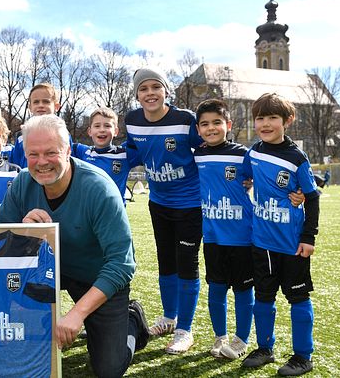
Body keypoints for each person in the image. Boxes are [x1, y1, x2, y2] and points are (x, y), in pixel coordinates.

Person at [0, 114, 149, 377]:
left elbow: (122, 264)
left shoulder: (98, 188)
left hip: (96, 276)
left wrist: (76, 314)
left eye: (50, 152)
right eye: (33, 154)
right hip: (49, 271)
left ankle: (132, 321)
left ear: (67, 151)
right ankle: (17, 335)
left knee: (108, 368)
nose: (41, 162)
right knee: (3, 279)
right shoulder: (22, 183)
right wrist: (22, 229)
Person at [124, 68, 203, 354]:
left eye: (156, 87)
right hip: (159, 203)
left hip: (191, 204)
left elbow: (207, 148)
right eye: (143, 89)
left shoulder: (184, 120)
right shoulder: (131, 120)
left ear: (166, 91)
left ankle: (185, 330)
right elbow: (131, 151)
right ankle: (170, 318)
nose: (150, 93)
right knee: (166, 262)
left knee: (186, 263)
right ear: (136, 95)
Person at [241, 93, 320, 376]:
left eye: (272, 117)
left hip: (291, 244)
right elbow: (245, 178)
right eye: (260, 118)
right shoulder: (253, 152)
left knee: (297, 298)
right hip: (261, 242)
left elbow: (312, 198)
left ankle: (303, 356)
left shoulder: (297, 158)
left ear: (287, 121)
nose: (265, 123)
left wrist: (308, 238)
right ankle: (265, 348)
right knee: (262, 297)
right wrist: (248, 183)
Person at [193, 99, 256, 360]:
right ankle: (220, 337)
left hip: (242, 237)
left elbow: (263, 180)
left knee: (243, 290)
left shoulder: (244, 155)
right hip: (213, 237)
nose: (211, 128)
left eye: (217, 123)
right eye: (205, 124)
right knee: (216, 289)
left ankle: (241, 340)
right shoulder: (196, 156)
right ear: (198, 130)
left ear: (228, 125)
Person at [74, 106, 138, 205]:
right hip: (88, 214)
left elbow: (144, 144)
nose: (102, 130)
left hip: (114, 214)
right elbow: (62, 141)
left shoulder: (124, 155)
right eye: (97, 126)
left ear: (116, 131)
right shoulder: (82, 152)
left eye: (107, 126)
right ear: (89, 131)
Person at [10, 83, 77, 168]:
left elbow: (69, 163)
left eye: (46, 102)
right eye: (36, 102)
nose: (40, 105)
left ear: (56, 106)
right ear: (30, 107)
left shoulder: (63, 134)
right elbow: (16, 165)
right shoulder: (21, 136)